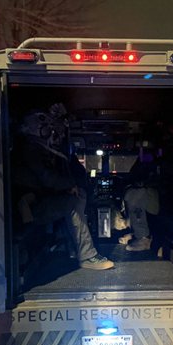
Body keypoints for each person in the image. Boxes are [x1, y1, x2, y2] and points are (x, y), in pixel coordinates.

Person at [13, 109, 114, 270]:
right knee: (74, 202)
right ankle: (87, 256)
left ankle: (76, 249)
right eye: (41, 123)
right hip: (30, 206)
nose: (46, 128)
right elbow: (46, 176)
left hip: (37, 200)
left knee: (77, 197)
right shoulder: (30, 148)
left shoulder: (37, 147)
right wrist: (69, 185)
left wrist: (70, 185)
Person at [121, 121, 173, 251]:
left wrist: (152, 181)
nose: (169, 136)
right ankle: (140, 234)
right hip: (165, 194)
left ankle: (143, 238)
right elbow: (140, 171)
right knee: (133, 193)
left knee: (135, 196)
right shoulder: (162, 152)